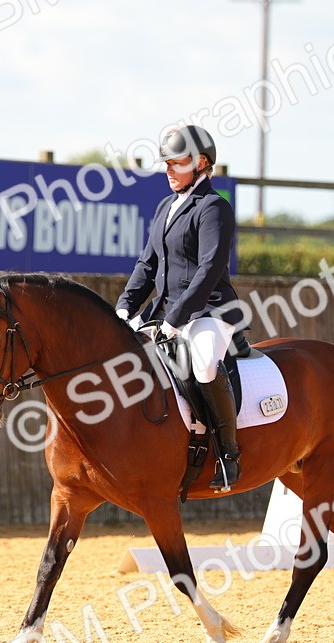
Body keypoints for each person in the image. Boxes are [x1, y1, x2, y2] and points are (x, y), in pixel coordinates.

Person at [115, 125, 246, 493]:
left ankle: (228, 455)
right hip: (163, 312)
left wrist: (175, 320)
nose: (169, 169)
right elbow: (147, 264)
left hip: (210, 312)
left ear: (202, 163)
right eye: (166, 163)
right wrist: (124, 309)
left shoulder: (214, 207)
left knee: (204, 364)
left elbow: (209, 270)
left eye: (178, 162)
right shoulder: (165, 206)